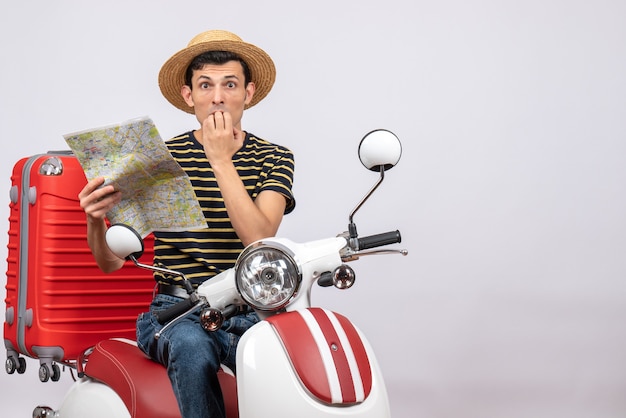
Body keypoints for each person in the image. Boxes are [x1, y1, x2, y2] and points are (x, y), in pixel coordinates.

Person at [78, 30, 296, 418]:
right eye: (205, 85)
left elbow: (258, 236)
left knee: (296, 354)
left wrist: (220, 158)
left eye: (229, 84)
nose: (217, 97)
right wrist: (96, 220)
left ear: (248, 93)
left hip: (252, 310)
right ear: (188, 95)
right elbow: (110, 262)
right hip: (177, 311)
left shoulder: (274, 157)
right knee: (193, 349)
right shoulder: (161, 160)